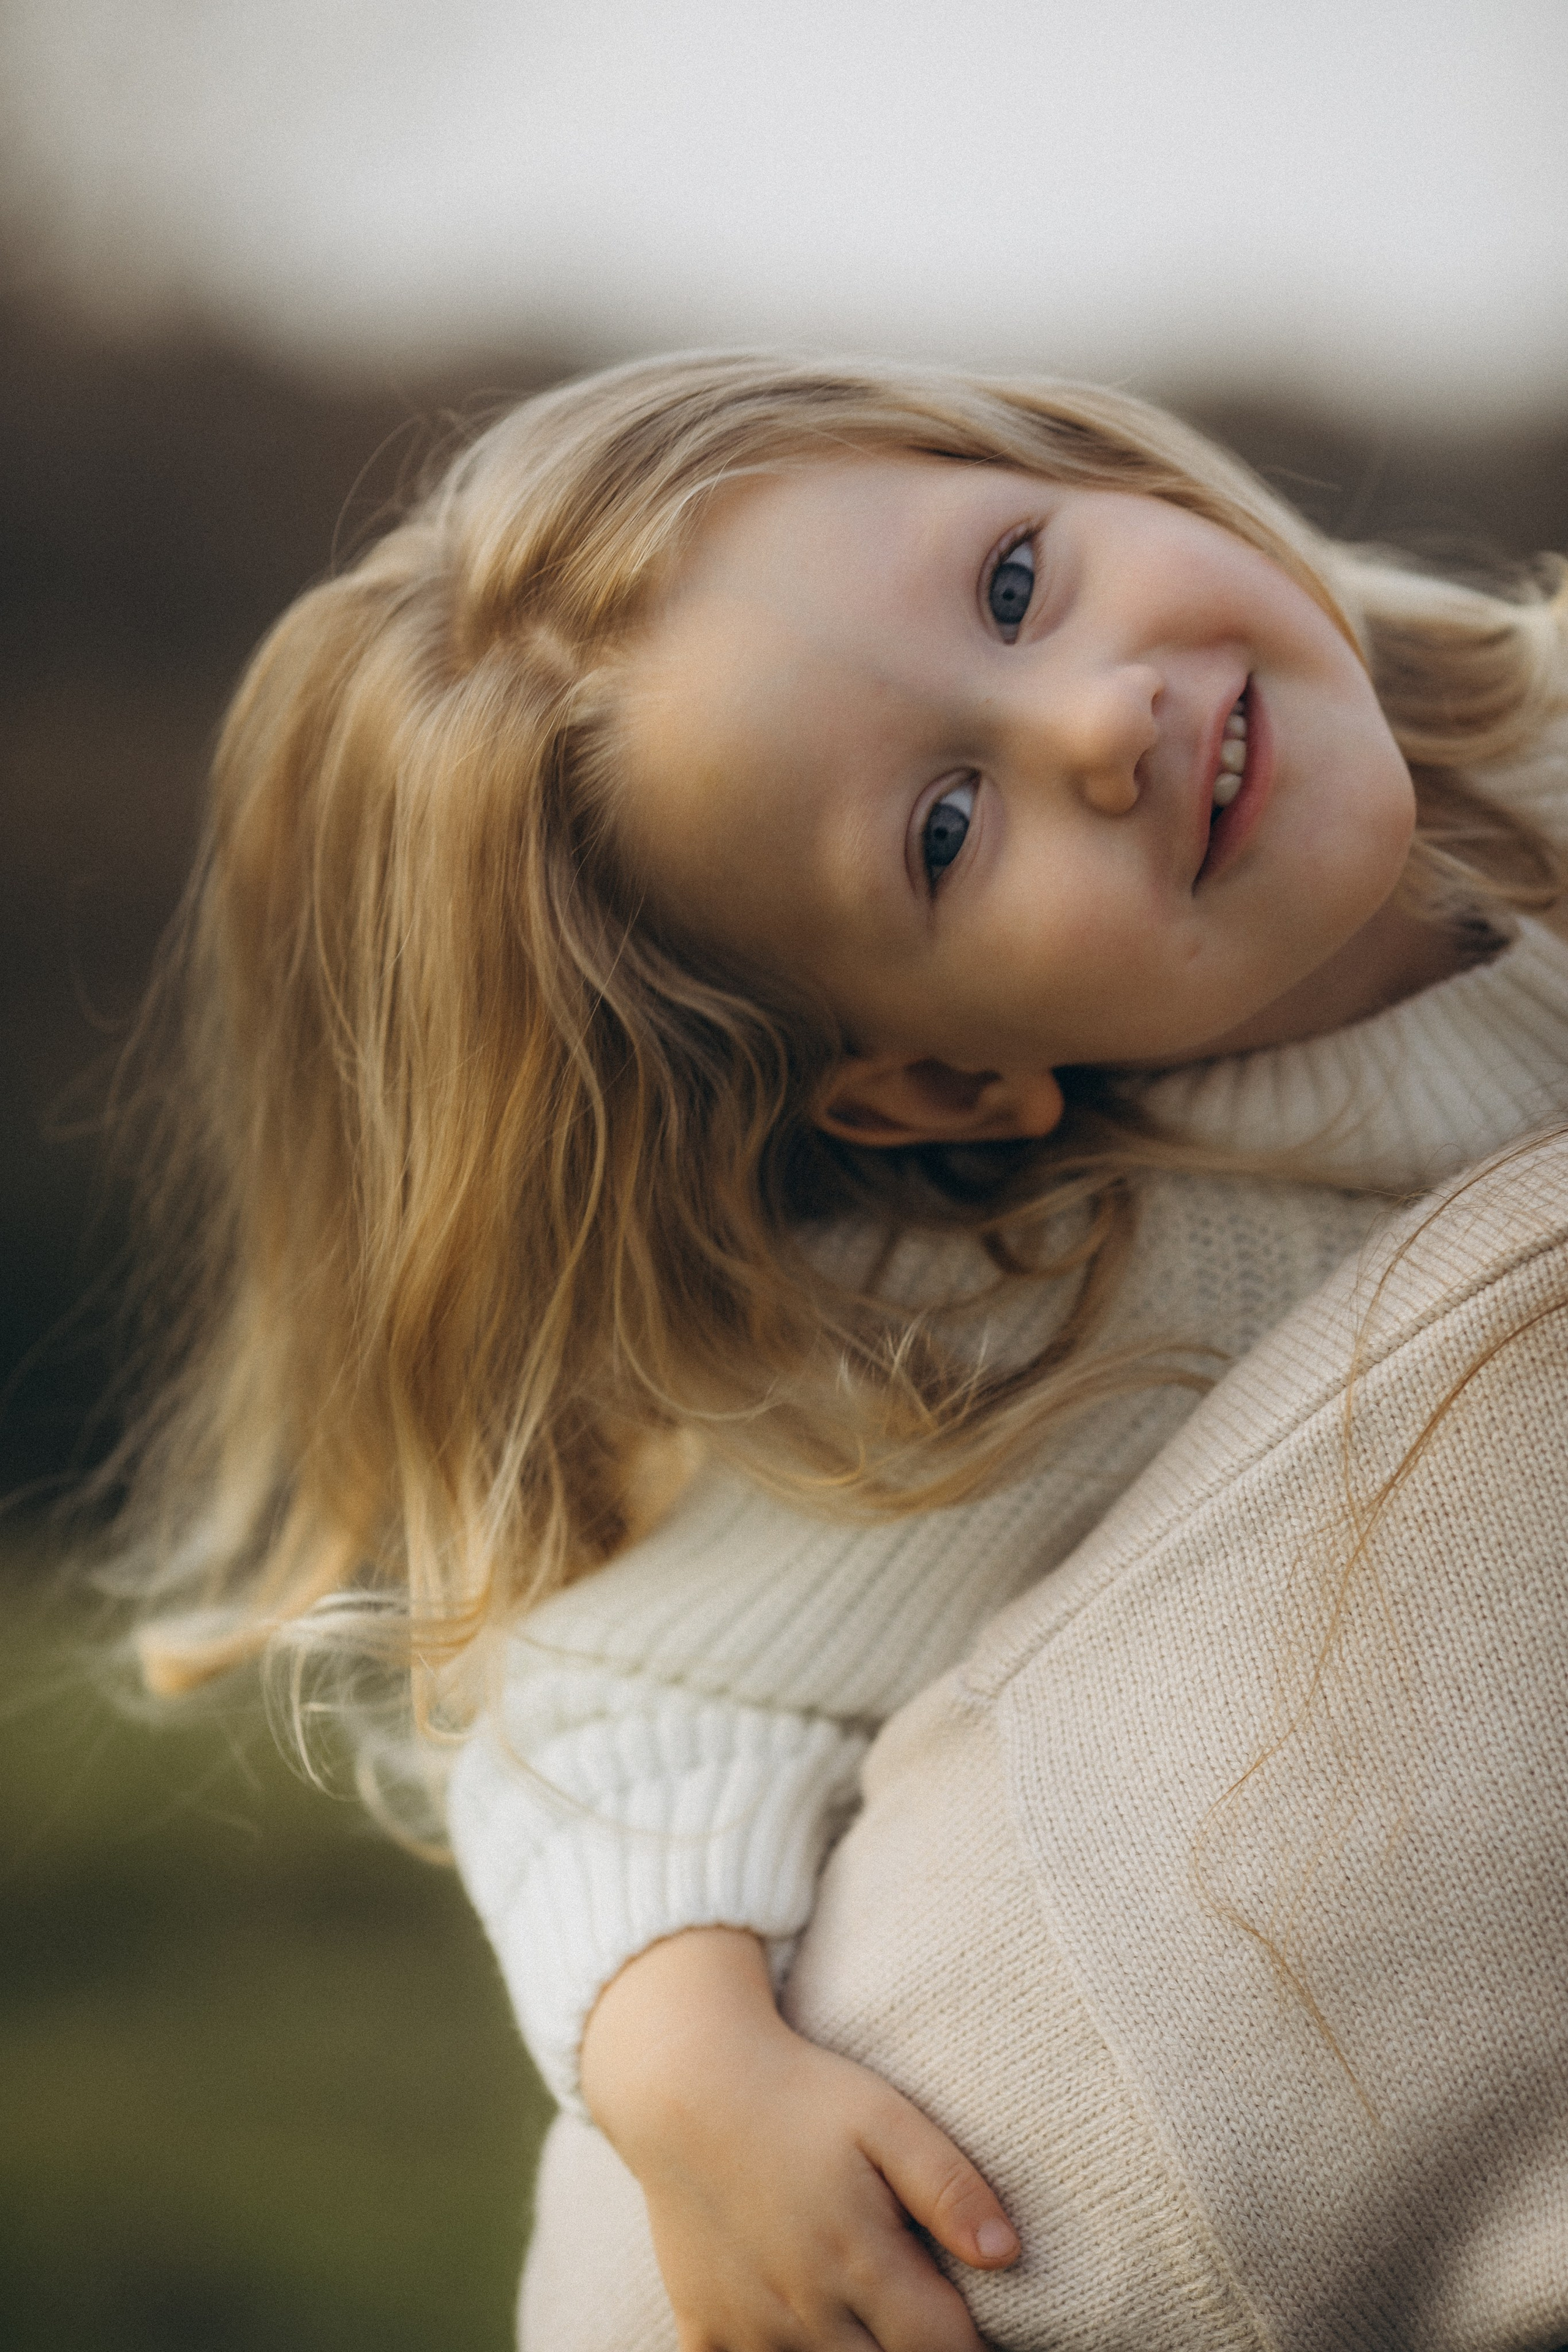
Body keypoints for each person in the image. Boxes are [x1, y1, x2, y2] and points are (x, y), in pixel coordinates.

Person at [109, 354, 1568, 2349]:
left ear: (1068, 460)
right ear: (929, 1077)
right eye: (948, 830)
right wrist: (687, 2072)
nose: (1099, 721)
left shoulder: (1536, 709)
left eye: (1014, 582)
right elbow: (606, 1703)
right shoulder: (1033, 1303)